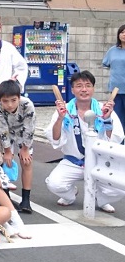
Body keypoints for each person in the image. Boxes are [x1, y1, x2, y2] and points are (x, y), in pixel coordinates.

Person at [45, 70, 125, 213]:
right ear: (72, 89)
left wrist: (107, 119)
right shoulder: (65, 110)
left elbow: (114, 141)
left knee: (119, 188)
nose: (84, 89)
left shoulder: (103, 109)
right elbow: (55, 138)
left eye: (88, 85)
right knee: (55, 184)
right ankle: (70, 195)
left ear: (93, 89)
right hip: (73, 161)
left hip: (99, 162)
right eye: (79, 86)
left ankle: (101, 199)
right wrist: (60, 118)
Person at [0, 80, 36, 213]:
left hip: (24, 132)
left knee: (26, 162)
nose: (9, 104)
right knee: (5, 160)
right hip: (7, 132)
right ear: (0, 100)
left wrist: (25, 149)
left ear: (19, 97)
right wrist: (7, 151)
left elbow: (30, 127)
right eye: (5, 101)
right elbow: (2, 129)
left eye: (13, 100)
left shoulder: (27, 105)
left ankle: (26, 199)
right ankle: (6, 195)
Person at [102, 24, 125, 126]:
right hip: (116, 89)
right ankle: (120, 140)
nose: (124, 34)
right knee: (117, 117)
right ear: (118, 35)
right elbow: (105, 63)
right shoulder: (112, 50)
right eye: (122, 32)